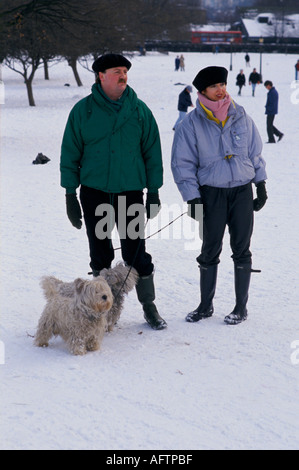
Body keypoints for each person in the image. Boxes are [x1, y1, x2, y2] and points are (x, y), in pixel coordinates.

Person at [60, 53, 167, 330]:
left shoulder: (139, 111)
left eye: (125, 71)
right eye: (117, 71)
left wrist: (153, 192)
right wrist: (70, 194)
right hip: (94, 192)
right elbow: (70, 155)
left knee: (136, 251)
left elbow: (152, 154)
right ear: (101, 76)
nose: (123, 76)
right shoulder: (83, 112)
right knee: (100, 253)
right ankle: (99, 309)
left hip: (130, 193)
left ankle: (149, 306)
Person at [171, 66, 268, 325]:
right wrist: (192, 197)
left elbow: (254, 152)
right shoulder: (191, 123)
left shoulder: (241, 116)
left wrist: (260, 184)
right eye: (214, 86)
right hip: (211, 194)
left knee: (241, 249)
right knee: (210, 248)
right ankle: (205, 306)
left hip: (241, 192)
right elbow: (182, 164)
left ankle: (240, 307)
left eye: (223, 84)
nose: (221, 90)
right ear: (202, 91)